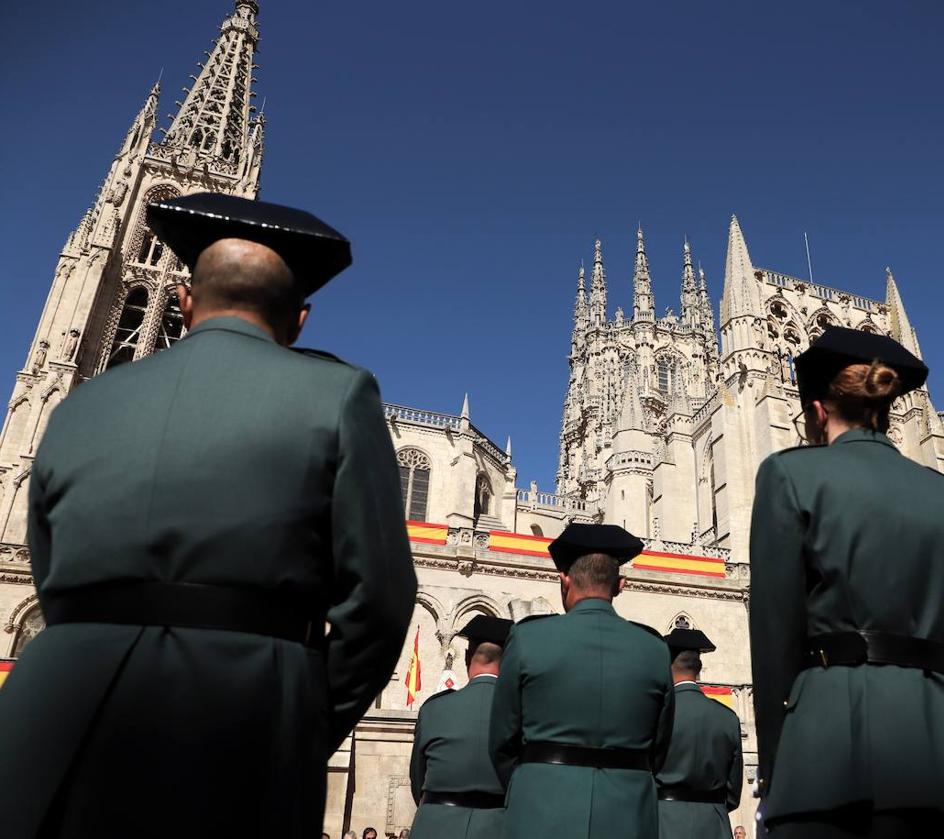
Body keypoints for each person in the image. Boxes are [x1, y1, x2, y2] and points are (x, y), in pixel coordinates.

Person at [0, 192, 417, 837]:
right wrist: (304, 711)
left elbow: (50, 574)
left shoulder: (75, 404)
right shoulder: (337, 394)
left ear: (185, 301)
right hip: (241, 713)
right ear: (300, 320)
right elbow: (381, 602)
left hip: (55, 708)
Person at [749, 326, 944, 838]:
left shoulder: (791, 476)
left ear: (818, 411)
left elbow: (774, 636)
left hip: (835, 750)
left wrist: (779, 762)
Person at [489, 523, 675, 838]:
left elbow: (501, 740)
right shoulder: (655, 650)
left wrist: (533, 779)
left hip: (540, 807)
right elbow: (660, 746)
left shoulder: (527, 638)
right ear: (620, 585)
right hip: (628, 812)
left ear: (565, 581)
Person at [410, 615, 514, 838]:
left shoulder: (433, 710)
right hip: (498, 827)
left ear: (467, 657)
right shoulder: (524, 714)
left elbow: (418, 780)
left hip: (435, 826)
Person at [656, 627, 743, 839]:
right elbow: (733, 791)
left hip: (665, 821)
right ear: (699, 667)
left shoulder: (657, 713)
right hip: (714, 823)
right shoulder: (728, 717)